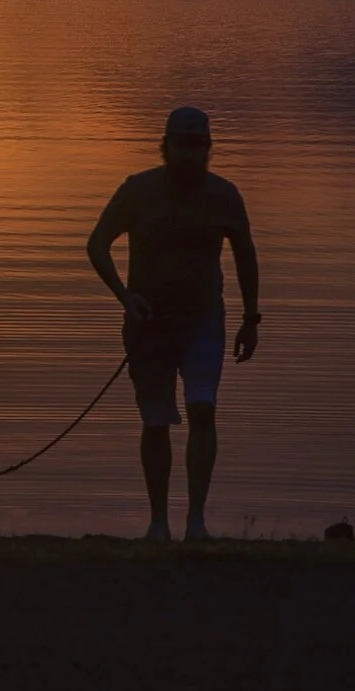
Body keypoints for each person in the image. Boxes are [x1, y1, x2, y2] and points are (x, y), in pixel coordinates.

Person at [85, 105, 261, 541]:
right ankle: (158, 522)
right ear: (166, 147)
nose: (189, 155)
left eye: (197, 146)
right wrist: (124, 297)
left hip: (204, 321)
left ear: (207, 149)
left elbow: (245, 256)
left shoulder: (224, 195)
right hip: (149, 324)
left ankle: (196, 522)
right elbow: (97, 244)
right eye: (182, 146)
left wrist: (251, 318)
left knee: (203, 409)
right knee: (155, 420)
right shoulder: (138, 190)